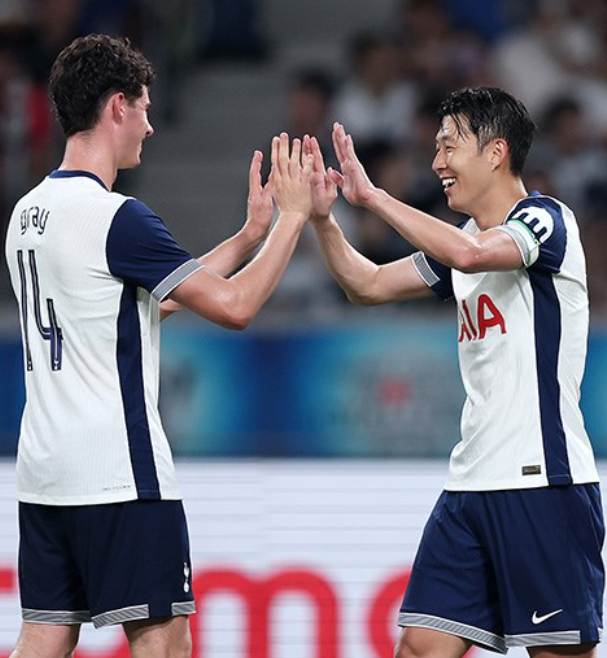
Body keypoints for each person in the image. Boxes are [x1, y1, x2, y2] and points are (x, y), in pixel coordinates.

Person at [5, 34, 315, 658]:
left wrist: (248, 235)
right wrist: (292, 219)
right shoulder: (117, 216)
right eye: (144, 108)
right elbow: (235, 306)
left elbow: (134, 306)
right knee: (165, 643)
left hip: (44, 472)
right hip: (120, 474)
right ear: (116, 105)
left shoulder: (26, 215)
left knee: (43, 637)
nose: (149, 126)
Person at [307, 86, 603, 658]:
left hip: (543, 480)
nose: (437, 162)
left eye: (449, 146)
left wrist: (375, 198)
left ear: (496, 152)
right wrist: (324, 220)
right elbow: (368, 285)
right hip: (471, 482)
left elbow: (473, 257)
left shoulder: (545, 220)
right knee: (420, 646)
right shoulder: (461, 239)